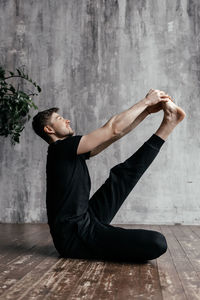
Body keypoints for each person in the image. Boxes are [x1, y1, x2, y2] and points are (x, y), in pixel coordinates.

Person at [32, 89, 186, 263]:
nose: (66, 120)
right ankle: (169, 124)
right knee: (157, 242)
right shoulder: (60, 149)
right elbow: (112, 128)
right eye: (59, 119)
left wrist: (147, 112)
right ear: (48, 129)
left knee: (121, 177)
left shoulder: (69, 152)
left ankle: (169, 122)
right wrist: (146, 102)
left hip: (86, 218)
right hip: (74, 237)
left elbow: (117, 133)